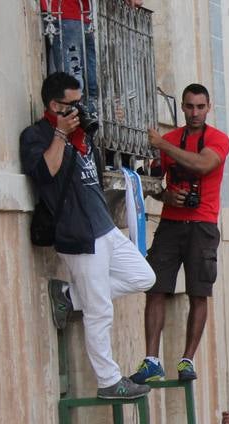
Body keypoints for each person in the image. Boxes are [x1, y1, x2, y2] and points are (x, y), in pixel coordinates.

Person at [21, 72, 156, 399]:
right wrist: (60, 135)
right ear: (54, 105)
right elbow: (43, 173)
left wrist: (78, 133)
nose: (79, 110)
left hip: (104, 226)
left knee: (144, 276)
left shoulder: (84, 136)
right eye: (72, 104)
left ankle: (68, 297)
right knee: (100, 312)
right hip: (78, 233)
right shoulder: (36, 135)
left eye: (81, 103)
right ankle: (109, 381)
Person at [133, 84, 229, 384]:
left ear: (208, 107)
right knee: (155, 287)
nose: (195, 112)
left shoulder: (217, 139)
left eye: (200, 106)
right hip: (171, 222)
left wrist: (163, 145)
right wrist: (164, 196)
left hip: (203, 224)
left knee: (199, 293)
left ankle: (187, 359)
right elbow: (150, 179)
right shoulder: (171, 139)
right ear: (184, 107)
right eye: (189, 106)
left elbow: (202, 164)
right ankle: (151, 359)